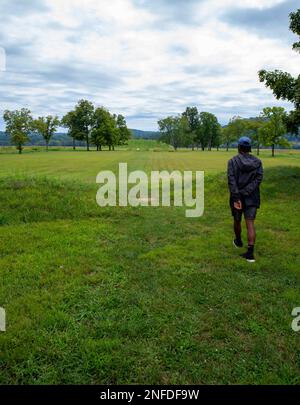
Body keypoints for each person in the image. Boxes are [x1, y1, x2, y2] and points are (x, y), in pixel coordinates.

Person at [227, 136, 263, 263]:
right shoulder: (258, 162)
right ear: (249, 148)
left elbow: (232, 181)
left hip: (238, 197)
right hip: (252, 197)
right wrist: (247, 191)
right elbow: (258, 179)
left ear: (238, 147)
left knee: (237, 220)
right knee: (250, 223)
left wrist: (237, 197)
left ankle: (238, 240)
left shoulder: (232, 161)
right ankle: (250, 253)